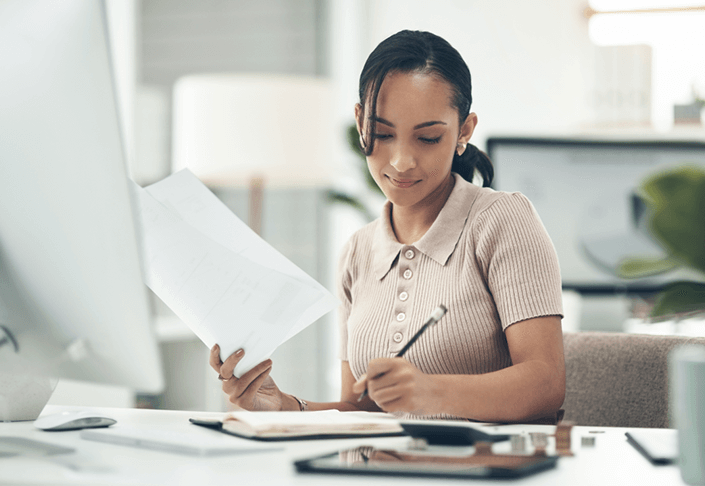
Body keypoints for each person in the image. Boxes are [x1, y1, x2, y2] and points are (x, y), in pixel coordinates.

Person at [210, 30, 565, 423]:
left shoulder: (501, 222)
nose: (400, 162)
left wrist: (430, 390)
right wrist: (286, 407)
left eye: (428, 138)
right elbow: (361, 410)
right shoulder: (358, 251)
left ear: (464, 131)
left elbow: (546, 385)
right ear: (360, 120)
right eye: (382, 134)